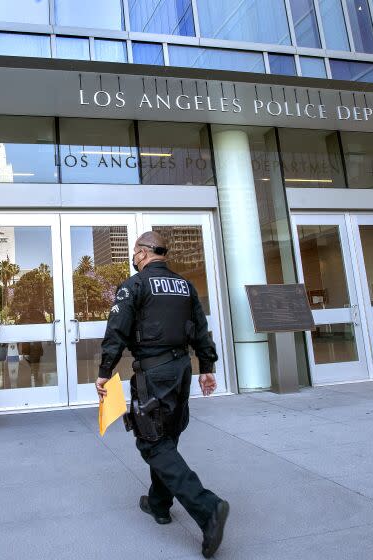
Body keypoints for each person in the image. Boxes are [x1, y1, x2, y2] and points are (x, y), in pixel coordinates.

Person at [96, 231, 229, 559]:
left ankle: (207, 507)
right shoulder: (185, 285)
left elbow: (116, 331)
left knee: (152, 441)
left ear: (142, 253)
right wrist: (207, 367)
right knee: (166, 435)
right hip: (181, 369)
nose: (134, 259)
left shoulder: (135, 284)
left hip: (153, 373)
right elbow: (201, 328)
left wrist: (104, 371)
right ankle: (159, 504)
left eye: (134, 254)